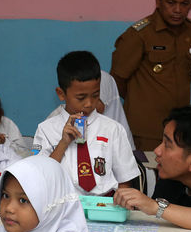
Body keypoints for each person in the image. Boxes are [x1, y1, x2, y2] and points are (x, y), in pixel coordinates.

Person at [110, 0, 191, 151]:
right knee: (148, 177)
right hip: (145, 131)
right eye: (171, 2)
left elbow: (186, 74)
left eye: (184, 3)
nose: (177, 10)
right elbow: (116, 80)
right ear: (159, 1)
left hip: (180, 129)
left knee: (175, 178)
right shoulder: (139, 35)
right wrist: (141, 101)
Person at [33, 51, 140, 196]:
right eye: (81, 97)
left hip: (104, 207)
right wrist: (63, 143)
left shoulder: (113, 129)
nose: (89, 104)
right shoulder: (46, 129)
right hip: (62, 206)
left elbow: (125, 179)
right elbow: (40, 176)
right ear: (61, 94)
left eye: (95, 95)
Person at [47, 70, 136, 151]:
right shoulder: (53, 122)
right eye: (81, 98)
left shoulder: (117, 130)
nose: (88, 104)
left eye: (95, 97)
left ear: (108, 99)